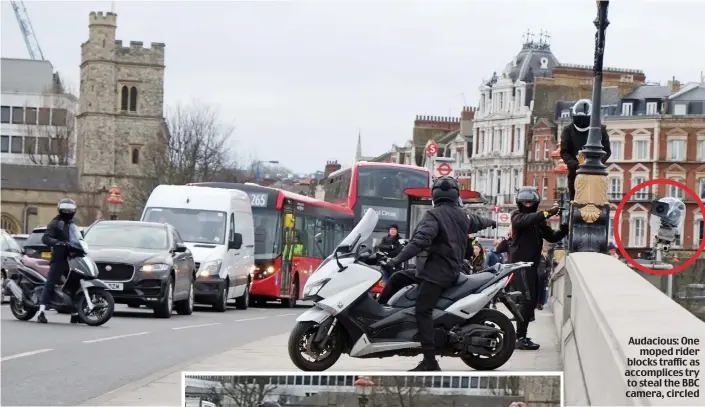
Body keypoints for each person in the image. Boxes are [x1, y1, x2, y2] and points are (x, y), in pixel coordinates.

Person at [381, 176, 496, 371]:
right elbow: (479, 221)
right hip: (438, 270)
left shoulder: (433, 215)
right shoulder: (463, 216)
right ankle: (380, 319)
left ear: (434, 195)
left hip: (437, 274)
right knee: (397, 278)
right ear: (455, 195)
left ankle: (430, 361)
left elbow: (419, 242)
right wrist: (492, 222)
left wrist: (395, 260)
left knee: (422, 310)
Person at [510, 187, 568, 350]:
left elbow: (551, 237)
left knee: (531, 301)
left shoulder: (539, 221)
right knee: (526, 300)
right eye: (525, 202)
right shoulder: (517, 216)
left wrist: (565, 227)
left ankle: (522, 335)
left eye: (531, 202)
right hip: (521, 265)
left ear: (535, 203)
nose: (528, 205)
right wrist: (548, 213)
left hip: (533, 265)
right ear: (520, 203)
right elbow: (524, 221)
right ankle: (519, 337)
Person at [37, 198, 81, 324]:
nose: (68, 212)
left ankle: (75, 313)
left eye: (70, 210)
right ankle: (41, 311)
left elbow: (78, 237)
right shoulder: (55, 223)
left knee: (74, 283)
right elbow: (46, 238)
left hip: (72, 258)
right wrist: (57, 242)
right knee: (51, 282)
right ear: (60, 210)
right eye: (65, 210)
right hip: (59, 257)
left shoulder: (72, 224)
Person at [560, 99, 612, 200]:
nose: (581, 122)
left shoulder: (600, 130)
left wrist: (595, 163)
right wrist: (576, 164)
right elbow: (564, 152)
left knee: (595, 201)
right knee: (576, 202)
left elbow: (607, 151)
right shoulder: (568, 130)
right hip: (575, 173)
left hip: (596, 172)